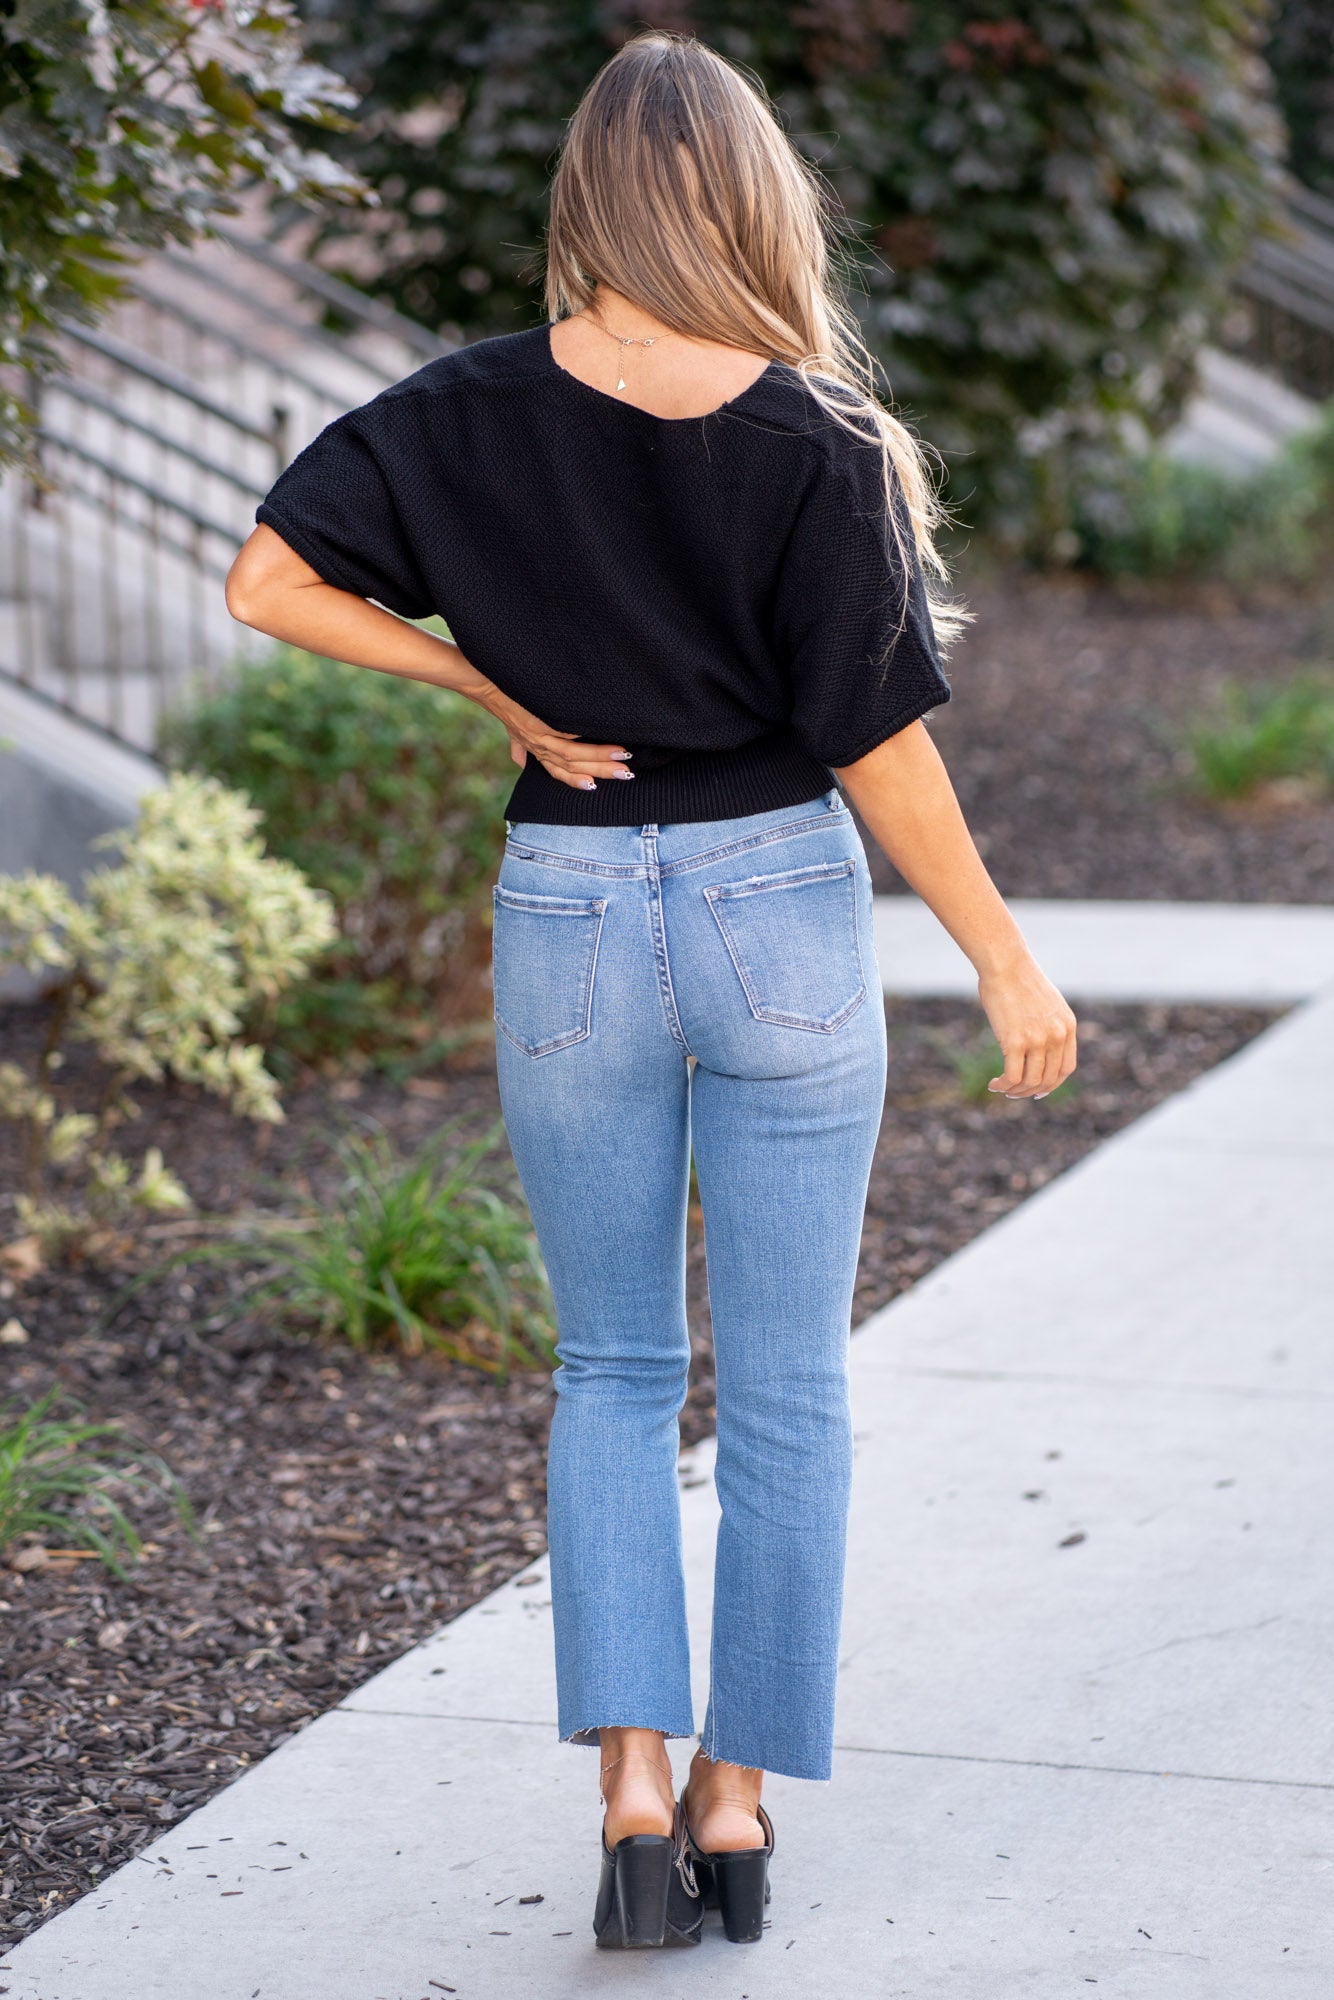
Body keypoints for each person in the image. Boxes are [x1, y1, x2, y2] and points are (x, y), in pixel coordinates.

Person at [226, 28, 1077, 1953]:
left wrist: (485, 685)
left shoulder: (460, 409)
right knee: (785, 1388)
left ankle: (625, 1782)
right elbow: (873, 745)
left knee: (609, 1368)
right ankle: (736, 1799)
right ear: (751, 204)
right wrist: (999, 950)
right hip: (777, 905)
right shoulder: (811, 438)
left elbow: (265, 583)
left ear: (584, 201)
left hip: (571, 908)